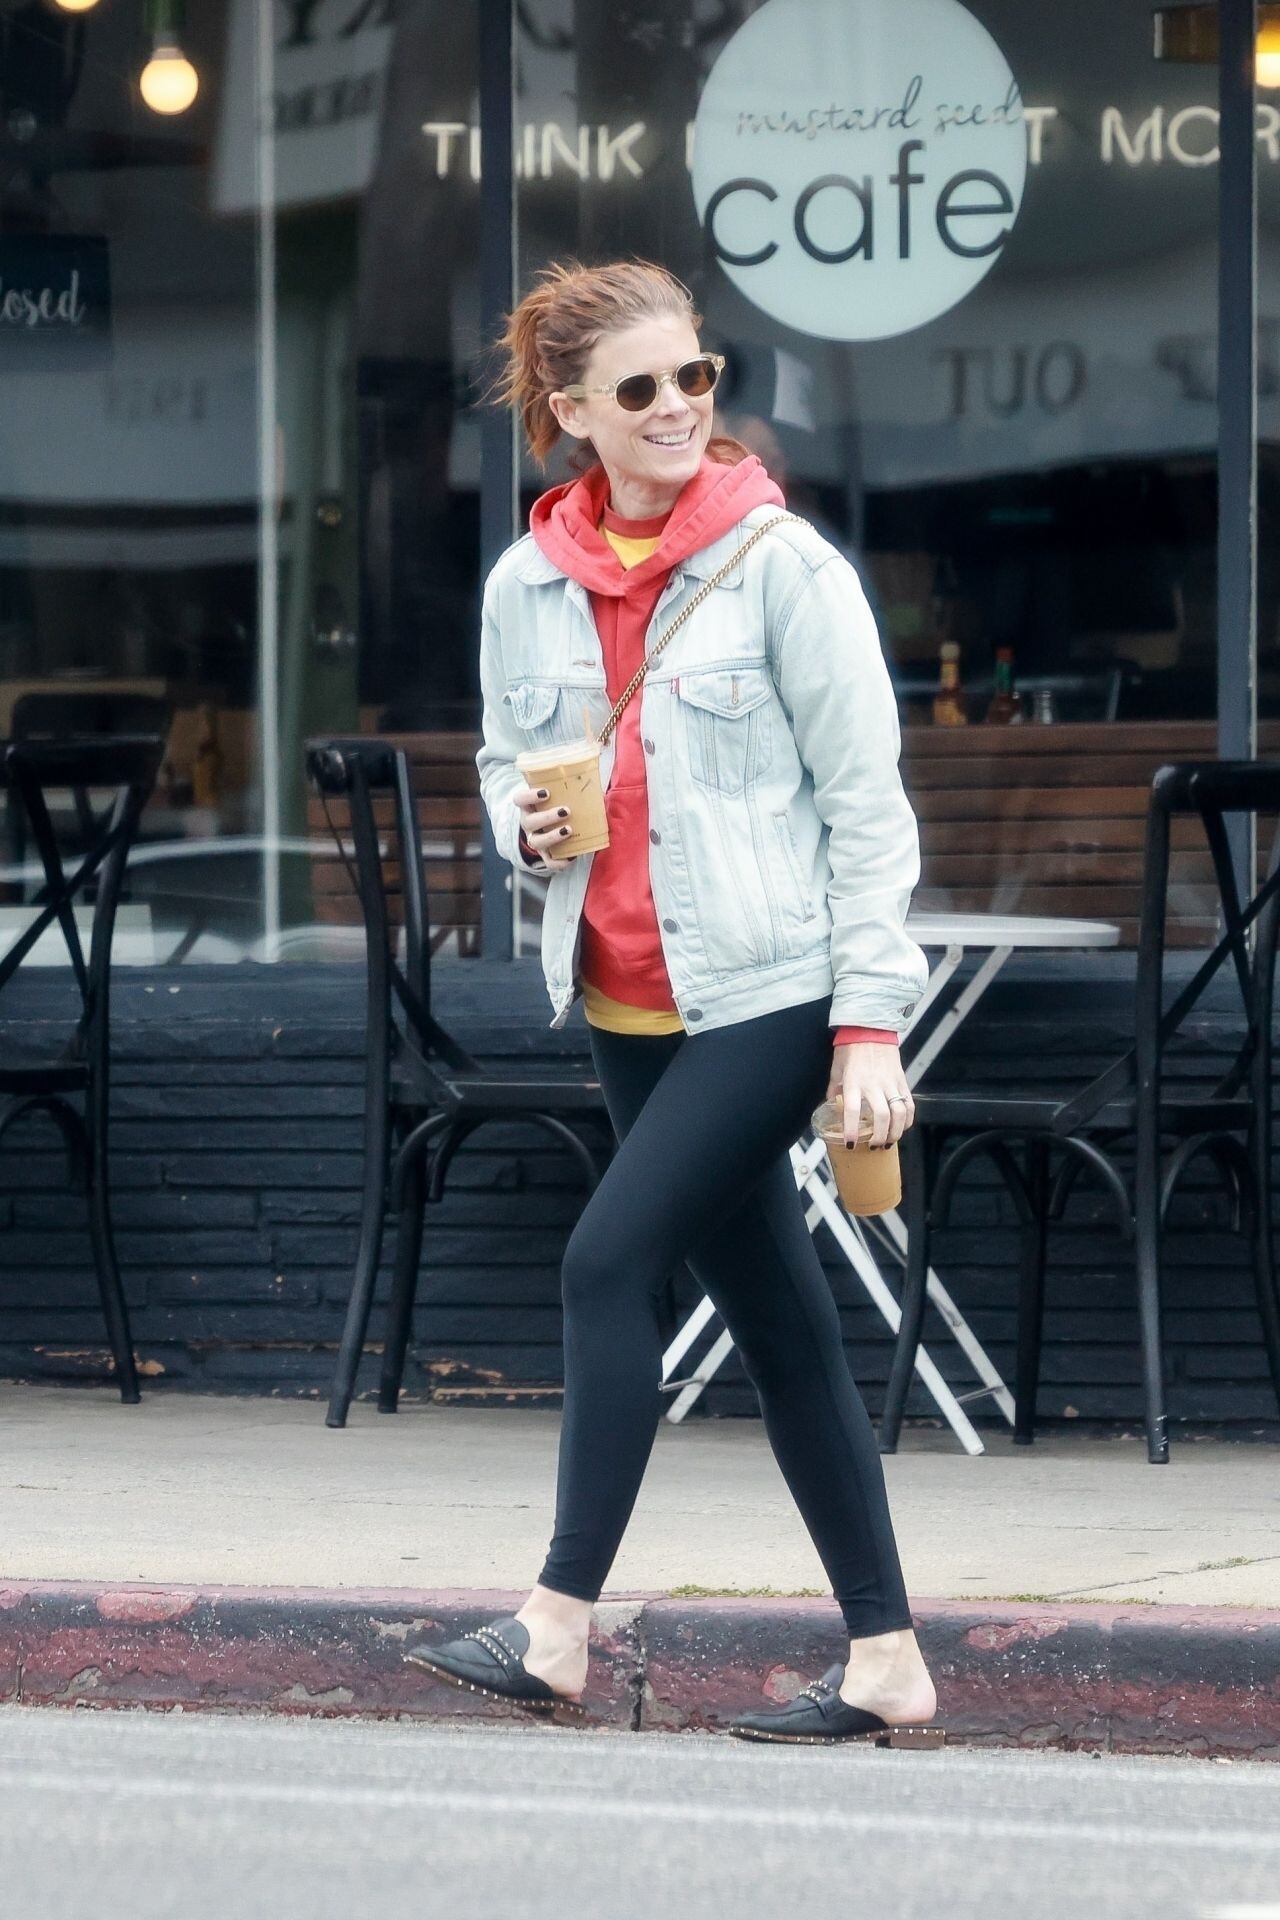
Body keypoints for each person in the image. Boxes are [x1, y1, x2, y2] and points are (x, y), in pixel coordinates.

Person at [405, 259, 942, 1748]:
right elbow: (507, 761)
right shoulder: (527, 585)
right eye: (637, 388)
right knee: (777, 1318)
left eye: (693, 377)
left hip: (768, 990)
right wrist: (523, 820)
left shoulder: (787, 570)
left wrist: (869, 1022)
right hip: (622, 998)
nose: (676, 408)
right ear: (571, 412)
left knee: (606, 1264)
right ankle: (887, 1658)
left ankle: (553, 1625)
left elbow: (869, 811)